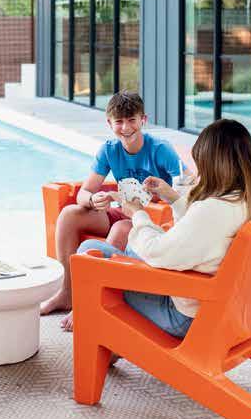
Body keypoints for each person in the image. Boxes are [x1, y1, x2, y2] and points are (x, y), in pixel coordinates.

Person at [74, 118, 251, 339]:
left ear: (213, 165)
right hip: (225, 309)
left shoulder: (212, 210)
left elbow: (156, 252)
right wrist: (172, 197)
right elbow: (201, 231)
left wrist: (137, 213)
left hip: (186, 317)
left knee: (89, 251)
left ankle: (106, 335)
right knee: (131, 243)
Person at [40, 90, 181, 329]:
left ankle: (92, 301)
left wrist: (164, 195)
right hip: (122, 210)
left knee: (120, 229)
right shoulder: (108, 150)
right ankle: (68, 292)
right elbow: (84, 192)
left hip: (153, 222)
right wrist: (93, 200)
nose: (125, 128)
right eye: (119, 121)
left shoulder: (161, 149)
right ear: (109, 123)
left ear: (143, 120)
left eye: (132, 120)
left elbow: (187, 186)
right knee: (69, 215)